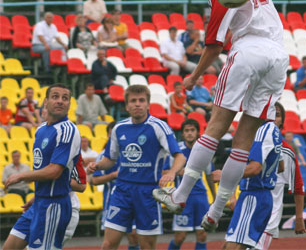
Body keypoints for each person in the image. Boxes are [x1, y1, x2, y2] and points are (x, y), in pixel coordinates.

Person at [153, 0, 306, 235]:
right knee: (243, 139)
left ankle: (179, 194)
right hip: (278, 59)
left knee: (214, 128)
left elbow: (214, 47)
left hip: (247, 53)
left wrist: (193, 77)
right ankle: (217, 210)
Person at [87, 85, 186, 250]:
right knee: (108, 244)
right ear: (126, 106)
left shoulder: (158, 127)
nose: (137, 104)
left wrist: (172, 173)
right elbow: (109, 160)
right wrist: (97, 165)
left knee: (147, 246)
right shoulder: (119, 128)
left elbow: (180, 156)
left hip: (148, 193)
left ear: (148, 104)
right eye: (133, 101)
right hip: (122, 190)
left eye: (142, 100)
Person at [3, 84, 81, 250]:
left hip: (54, 206)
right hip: (40, 201)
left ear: (69, 104)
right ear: (45, 102)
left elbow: (54, 171)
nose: (60, 101)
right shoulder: (41, 130)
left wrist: (21, 176)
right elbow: (43, 168)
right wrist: (38, 194)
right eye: (55, 96)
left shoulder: (67, 130)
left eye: (65, 98)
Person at [220, 107, 283, 250]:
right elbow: (281, 166)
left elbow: (255, 168)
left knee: (234, 244)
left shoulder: (263, 131)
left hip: (253, 195)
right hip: (262, 195)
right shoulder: (275, 133)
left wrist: (225, 174)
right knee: (234, 243)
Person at [255, 102, 306, 250]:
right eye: (268, 113)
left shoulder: (287, 152)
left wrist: (299, 218)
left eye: (276, 114)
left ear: (282, 121)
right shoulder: (249, 143)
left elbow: (298, 186)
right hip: (247, 210)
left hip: (268, 216)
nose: (271, 118)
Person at [89, 122, 141, 250]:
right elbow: (94, 181)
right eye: (111, 133)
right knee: (110, 243)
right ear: (107, 135)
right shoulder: (103, 156)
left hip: (132, 198)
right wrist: (113, 175)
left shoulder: (132, 153)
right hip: (112, 201)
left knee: (134, 236)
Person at [167, 119, 216, 250]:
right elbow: (164, 171)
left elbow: (209, 175)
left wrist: (215, 197)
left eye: (192, 130)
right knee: (180, 237)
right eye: (186, 131)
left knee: (202, 235)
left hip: (200, 197)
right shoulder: (177, 151)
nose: (189, 133)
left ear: (197, 133)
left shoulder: (204, 151)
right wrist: (178, 171)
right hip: (183, 198)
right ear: (182, 134)